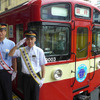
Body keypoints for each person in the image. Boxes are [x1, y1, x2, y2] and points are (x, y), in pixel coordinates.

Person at [9, 30, 47, 100]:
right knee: (26, 97)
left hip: (35, 77)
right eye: (28, 39)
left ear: (35, 39)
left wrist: (43, 78)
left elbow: (43, 66)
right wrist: (17, 45)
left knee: (35, 97)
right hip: (25, 78)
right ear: (25, 40)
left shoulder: (39, 51)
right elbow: (10, 54)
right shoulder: (22, 50)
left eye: (31, 39)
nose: (30, 41)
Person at [0, 23, 17, 100]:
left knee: (7, 93)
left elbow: (14, 59)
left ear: (5, 32)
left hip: (6, 72)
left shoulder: (11, 44)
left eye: (2, 31)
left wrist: (15, 71)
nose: (0, 33)